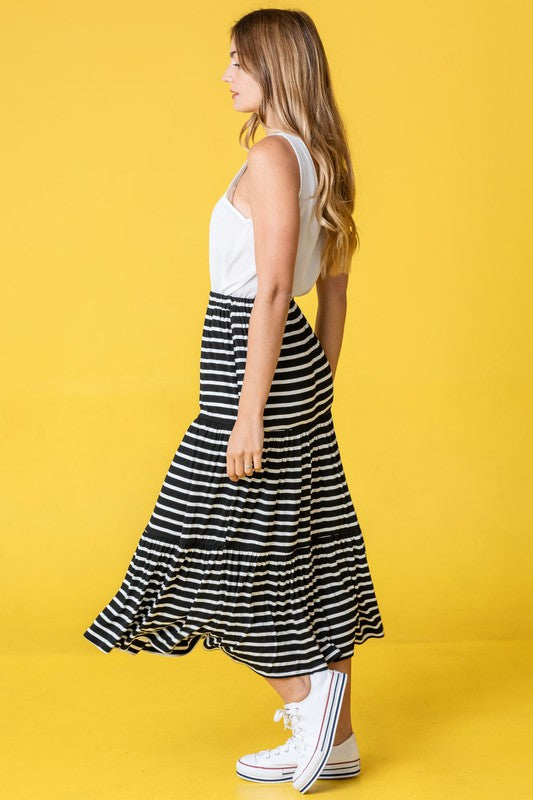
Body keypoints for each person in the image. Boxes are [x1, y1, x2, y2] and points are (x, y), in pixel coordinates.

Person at [83, 8, 385, 793]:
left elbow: (274, 288)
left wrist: (252, 410)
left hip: (249, 361)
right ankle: (338, 738)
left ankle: (308, 698)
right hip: (290, 365)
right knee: (308, 544)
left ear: (274, 67)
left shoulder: (274, 158)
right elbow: (337, 295)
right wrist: (312, 383)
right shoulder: (324, 157)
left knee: (204, 546)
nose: (224, 76)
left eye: (236, 62)